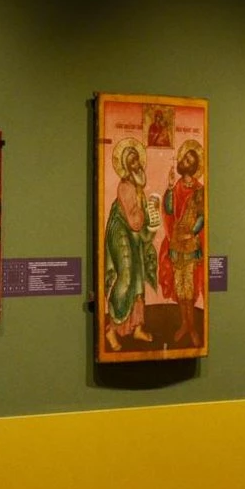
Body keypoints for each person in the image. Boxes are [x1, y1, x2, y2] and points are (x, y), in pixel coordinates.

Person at [102, 138, 157, 350]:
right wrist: (146, 212)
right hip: (120, 230)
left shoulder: (139, 187)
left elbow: (141, 225)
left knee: (138, 277)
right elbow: (134, 221)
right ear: (127, 166)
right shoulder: (125, 187)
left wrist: (151, 213)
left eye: (137, 160)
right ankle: (111, 329)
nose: (136, 164)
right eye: (132, 161)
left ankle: (137, 328)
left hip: (133, 231)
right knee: (125, 277)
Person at [159, 141, 206, 345]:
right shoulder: (177, 186)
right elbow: (169, 210)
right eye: (184, 158)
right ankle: (184, 324)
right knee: (180, 288)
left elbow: (202, 216)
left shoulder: (199, 190)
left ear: (193, 167)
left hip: (191, 244)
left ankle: (192, 327)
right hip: (176, 244)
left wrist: (192, 233)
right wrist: (170, 188)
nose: (183, 161)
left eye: (188, 160)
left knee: (190, 288)